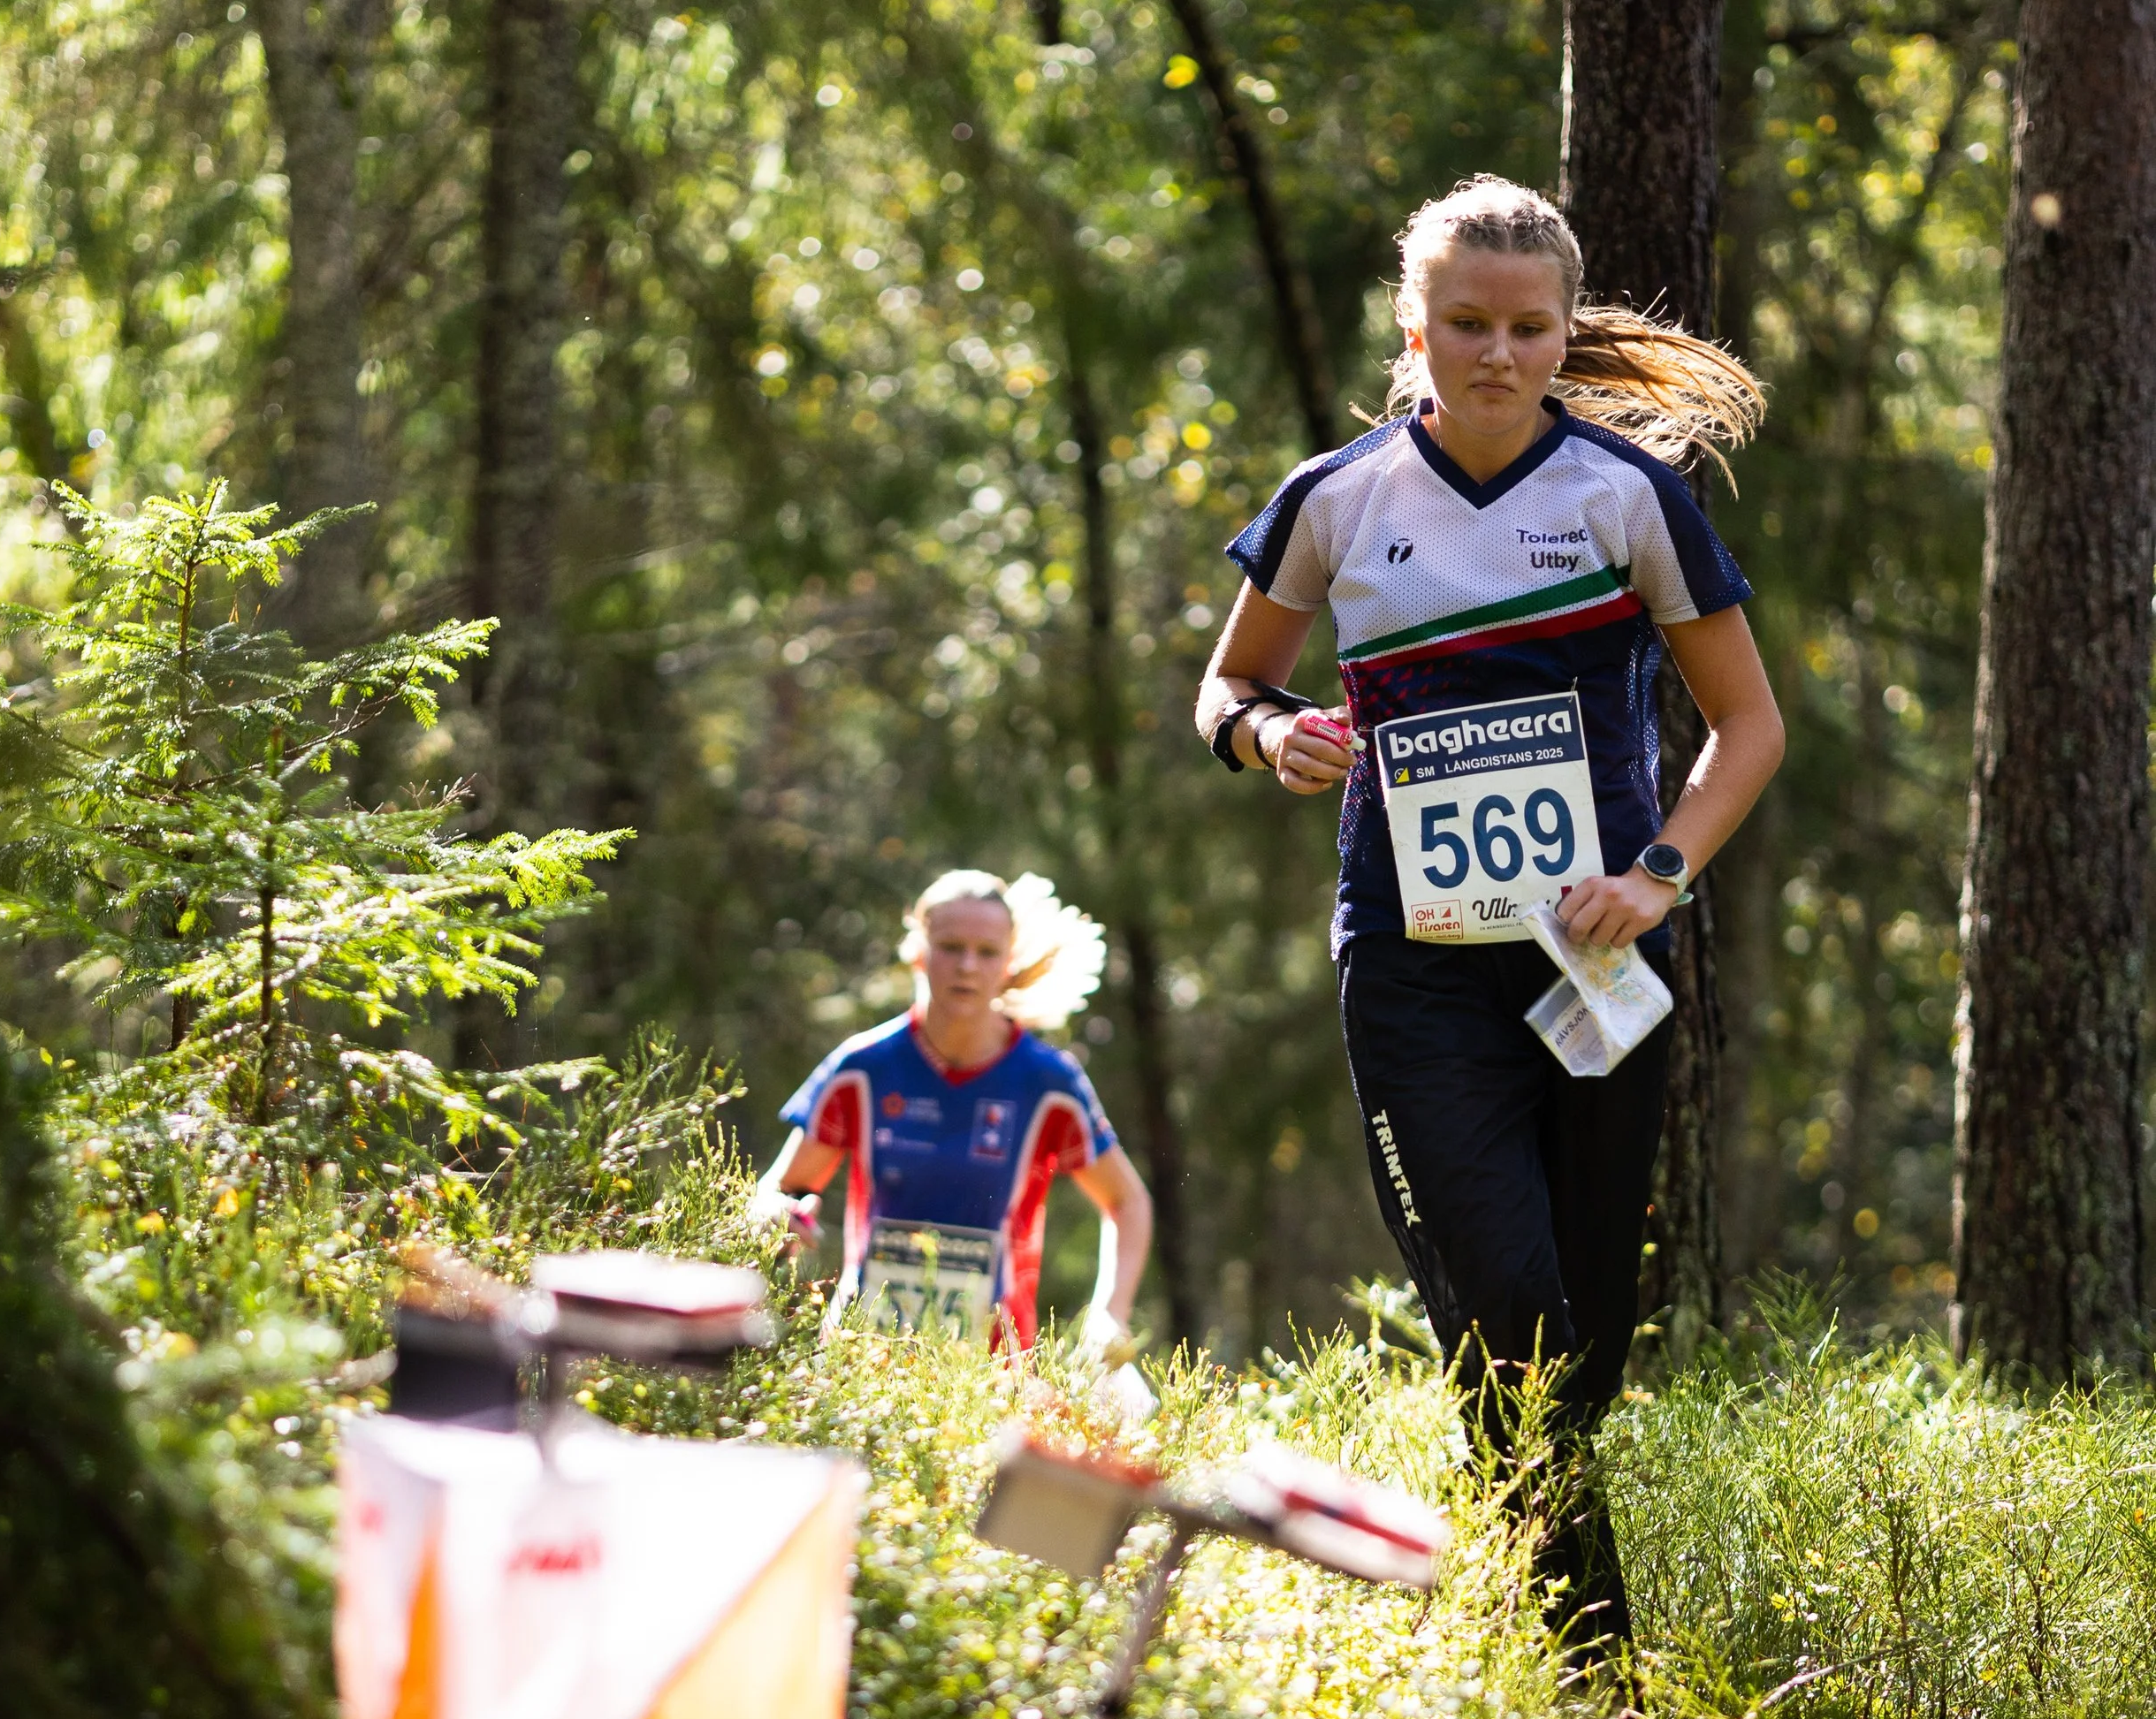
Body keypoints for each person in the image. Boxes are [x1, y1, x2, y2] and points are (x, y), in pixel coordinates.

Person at [1194, 175, 1785, 1644]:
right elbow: (1229, 684)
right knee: (1508, 1303)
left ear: (1563, 331)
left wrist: (1658, 876)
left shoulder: (1623, 497)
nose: (1498, 354)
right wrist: (1272, 736)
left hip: (1590, 967)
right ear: (1416, 328)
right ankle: (1592, 1676)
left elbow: (1749, 727)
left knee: (1580, 1339)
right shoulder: (1338, 500)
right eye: (1467, 324)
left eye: (1527, 328)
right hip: (1415, 969)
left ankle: (1519, 1617)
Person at [753, 869, 1154, 1359]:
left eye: (986, 952)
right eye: (950, 947)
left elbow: (1126, 1201)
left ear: (1008, 962)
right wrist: (775, 1213)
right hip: (861, 1355)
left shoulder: (1049, 1083)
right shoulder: (863, 1068)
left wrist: (1111, 1312)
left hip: (997, 1367)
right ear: (918, 952)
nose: (967, 966)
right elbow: (785, 1188)